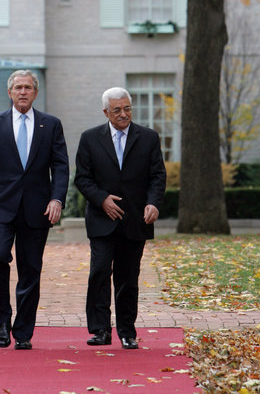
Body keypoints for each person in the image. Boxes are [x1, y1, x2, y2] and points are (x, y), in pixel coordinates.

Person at [0, 69, 69, 350]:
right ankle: (1, 321)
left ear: (35, 93)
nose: (23, 92)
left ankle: (23, 331)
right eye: (18, 87)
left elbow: (60, 166)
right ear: (10, 92)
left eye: (28, 87)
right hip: (1, 205)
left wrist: (57, 199)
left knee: (30, 270)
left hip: (37, 208)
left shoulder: (51, 124)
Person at [74, 87, 166, 350]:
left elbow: (157, 176)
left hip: (135, 220)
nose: (124, 114)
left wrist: (153, 203)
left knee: (128, 277)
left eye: (127, 108)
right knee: (99, 272)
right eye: (117, 110)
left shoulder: (148, 138)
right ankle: (100, 329)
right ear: (106, 112)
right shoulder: (90, 138)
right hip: (102, 219)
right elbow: (82, 178)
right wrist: (102, 199)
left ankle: (127, 331)